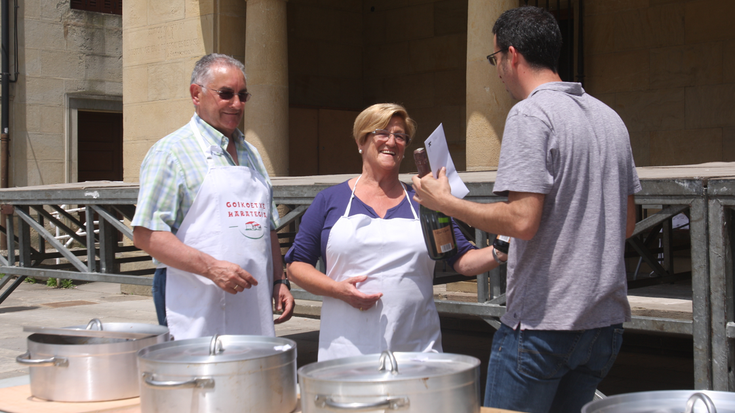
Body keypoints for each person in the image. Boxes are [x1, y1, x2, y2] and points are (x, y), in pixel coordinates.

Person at [412, 7, 640, 413]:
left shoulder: (530, 114)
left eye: (494, 59)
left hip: (543, 325)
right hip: (604, 325)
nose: (496, 70)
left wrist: (444, 202)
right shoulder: (612, 119)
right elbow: (626, 224)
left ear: (511, 55)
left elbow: (522, 220)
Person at [285, 103, 507, 361]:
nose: (392, 141)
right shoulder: (329, 200)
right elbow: (297, 265)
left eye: (400, 136)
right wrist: (336, 289)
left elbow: (461, 260)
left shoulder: (425, 202)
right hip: (345, 353)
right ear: (361, 140)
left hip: (417, 350)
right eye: (382, 132)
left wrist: (501, 249)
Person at [131, 53, 294, 340]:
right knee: (197, 381)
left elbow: (266, 228)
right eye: (226, 94)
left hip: (251, 301)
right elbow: (147, 235)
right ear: (196, 93)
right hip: (194, 299)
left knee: (250, 377)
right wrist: (212, 268)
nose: (236, 104)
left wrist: (279, 280)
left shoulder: (251, 154)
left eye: (243, 96)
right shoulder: (170, 152)